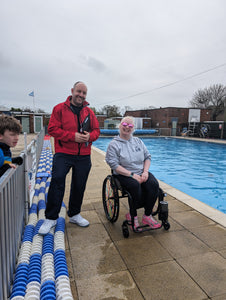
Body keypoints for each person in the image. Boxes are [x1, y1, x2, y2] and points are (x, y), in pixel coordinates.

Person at [38, 81, 100, 235]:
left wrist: (88, 137)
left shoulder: (89, 112)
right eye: (78, 91)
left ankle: (74, 214)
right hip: (63, 153)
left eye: (84, 93)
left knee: (79, 185)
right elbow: (52, 129)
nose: (81, 95)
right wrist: (73, 136)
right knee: (57, 182)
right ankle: (51, 217)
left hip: (83, 156)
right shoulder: (59, 108)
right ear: (72, 91)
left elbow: (97, 131)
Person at [105, 116, 161, 230]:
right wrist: (132, 175)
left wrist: (145, 172)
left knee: (154, 184)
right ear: (120, 126)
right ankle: (133, 216)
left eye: (130, 126)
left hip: (141, 172)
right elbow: (114, 165)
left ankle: (147, 215)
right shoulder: (114, 145)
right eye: (124, 125)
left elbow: (147, 157)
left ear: (133, 128)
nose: (127, 128)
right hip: (123, 175)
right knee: (135, 186)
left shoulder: (138, 141)